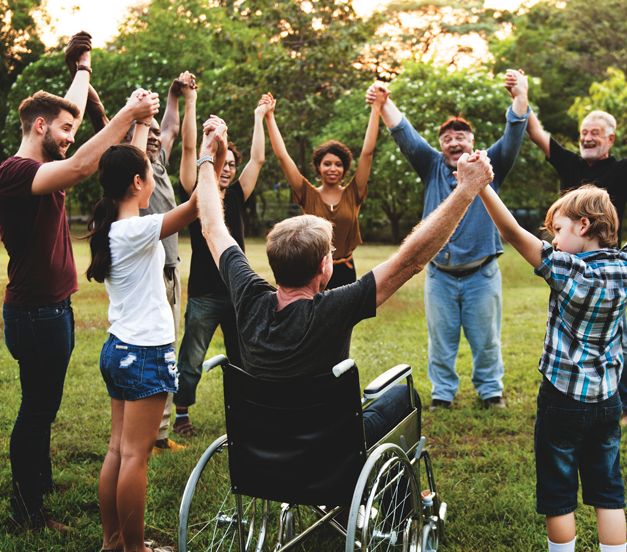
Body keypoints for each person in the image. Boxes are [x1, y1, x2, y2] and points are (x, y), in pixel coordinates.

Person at [196, 117, 496, 444]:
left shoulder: (249, 297)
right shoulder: (336, 308)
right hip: (331, 444)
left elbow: (212, 226)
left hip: (265, 442)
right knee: (403, 397)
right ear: (325, 267)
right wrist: (467, 189)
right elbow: (411, 260)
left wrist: (207, 156)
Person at [477, 144, 627, 552]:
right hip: (607, 399)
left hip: (562, 398)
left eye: (557, 229)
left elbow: (511, 231)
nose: (553, 238)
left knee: (558, 491)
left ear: (583, 226)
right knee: (608, 490)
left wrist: (481, 186)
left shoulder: (567, 269)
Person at [0, 39, 158, 533]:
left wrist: (82, 68)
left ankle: (37, 485)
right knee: (37, 408)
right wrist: (128, 113)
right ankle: (28, 511)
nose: (71, 136)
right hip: (35, 314)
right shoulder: (16, 173)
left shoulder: (41, 164)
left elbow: (74, 116)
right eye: (64, 131)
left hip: (52, 310)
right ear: (39, 127)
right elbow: (85, 163)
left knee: (43, 405)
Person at [86, 125, 223, 552]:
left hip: (118, 348)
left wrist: (209, 156)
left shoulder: (109, 225)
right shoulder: (138, 229)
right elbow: (199, 205)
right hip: (144, 353)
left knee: (117, 450)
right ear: (136, 183)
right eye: (147, 173)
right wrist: (206, 153)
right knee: (135, 456)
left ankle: (112, 540)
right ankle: (135, 550)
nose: (151, 181)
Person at [365, 70, 531, 410]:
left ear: (472, 141)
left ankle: (490, 392)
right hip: (439, 275)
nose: (454, 143)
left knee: (486, 341)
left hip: (481, 274)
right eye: (447, 139)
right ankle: (443, 394)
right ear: (441, 146)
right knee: (441, 342)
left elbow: (514, 132)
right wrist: (384, 102)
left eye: (461, 137)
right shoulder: (430, 166)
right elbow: (403, 133)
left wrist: (520, 95)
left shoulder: (490, 165)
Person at [520, 95, 627, 425]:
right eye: (583, 132)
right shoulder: (570, 163)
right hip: (573, 265)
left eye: (595, 132)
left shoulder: (620, 168)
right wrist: (521, 95)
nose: (587, 137)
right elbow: (536, 133)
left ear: (610, 139)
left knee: (620, 336)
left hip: (606, 265)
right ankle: (598, 396)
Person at [172, 98, 266, 436]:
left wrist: (259, 117)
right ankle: (181, 413)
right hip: (204, 294)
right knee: (192, 357)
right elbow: (187, 150)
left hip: (239, 292)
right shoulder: (198, 194)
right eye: (222, 163)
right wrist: (197, 117)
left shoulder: (239, 194)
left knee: (244, 357)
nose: (226, 168)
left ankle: (245, 411)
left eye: (231, 164)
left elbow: (257, 158)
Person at [125, 71, 199, 453]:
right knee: (160, 349)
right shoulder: (132, 173)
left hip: (171, 270)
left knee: (168, 347)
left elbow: (168, 126)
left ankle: (157, 432)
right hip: (152, 276)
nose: (155, 135)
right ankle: (154, 435)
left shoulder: (159, 165)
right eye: (145, 131)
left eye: (155, 132)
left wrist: (173, 93)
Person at [264, 90, 381, 290]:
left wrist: (376, 108)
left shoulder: (354, 193)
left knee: (344, 322)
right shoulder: (307, 193)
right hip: (310, 271)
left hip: (345, 269)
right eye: (327, 163)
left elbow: (367, 153)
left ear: (345, 168)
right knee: (311, 320)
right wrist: (269, 117)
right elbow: (283, 157)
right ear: (318, 167)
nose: (333, 169)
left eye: (338, 164)